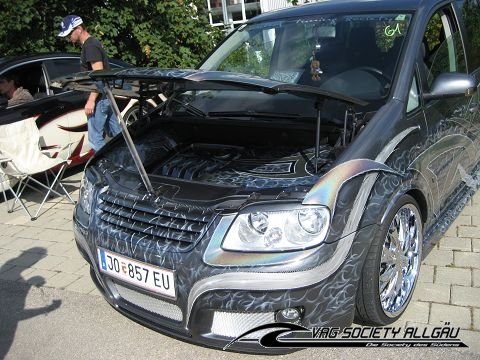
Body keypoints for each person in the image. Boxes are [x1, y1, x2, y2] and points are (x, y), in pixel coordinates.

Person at [58, 15, 121, 152]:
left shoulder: (91, 46)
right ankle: (130, 160)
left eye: (69, 34)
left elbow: (99, 75)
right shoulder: (90, 45)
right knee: (117, 135)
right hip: (105, 96)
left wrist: (91, 100)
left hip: (99, 99)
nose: (68, 38)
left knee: (95, 140)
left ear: (79, 29)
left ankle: (108, 168)